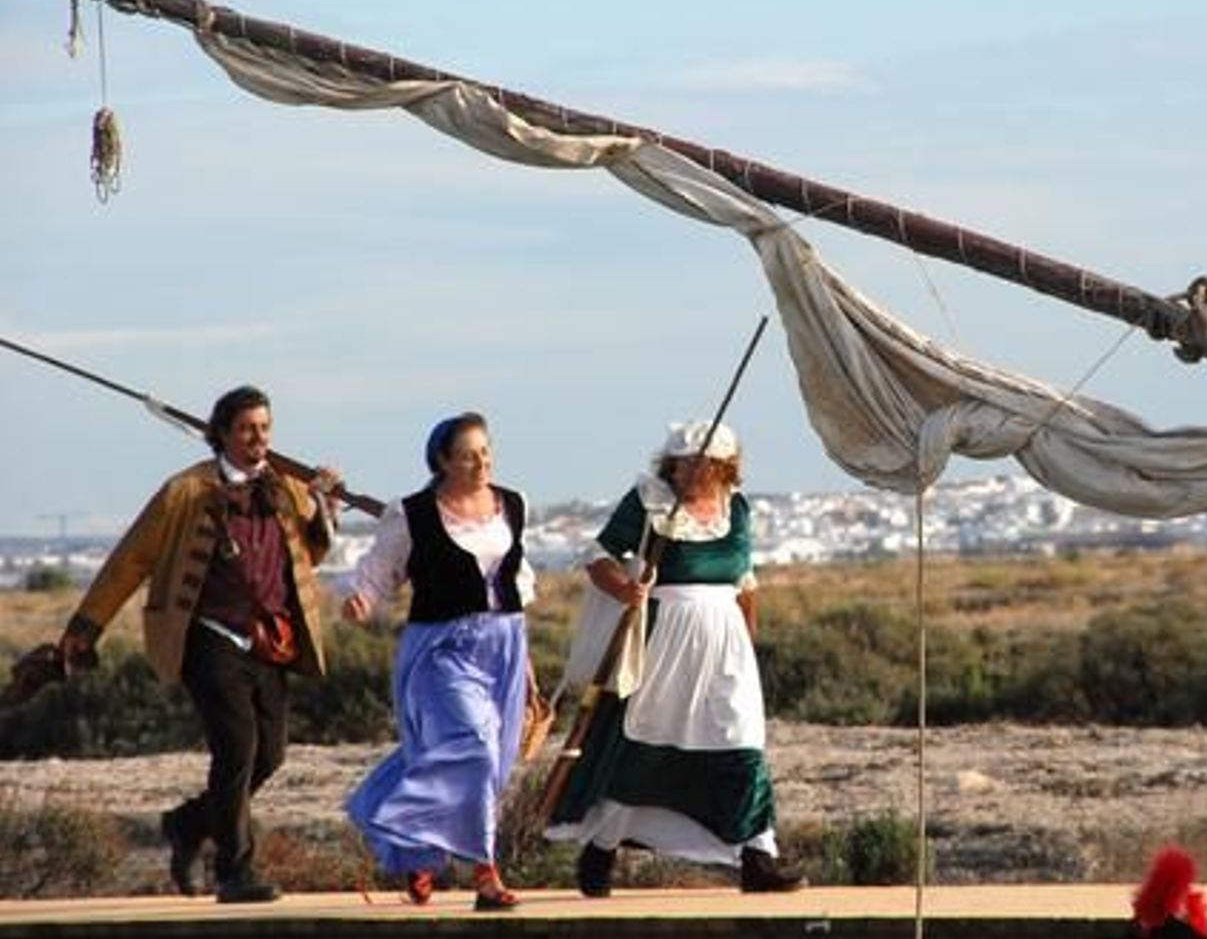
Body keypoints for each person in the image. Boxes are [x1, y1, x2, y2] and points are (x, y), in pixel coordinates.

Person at [55, 385, 341, 903]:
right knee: (237, 749)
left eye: (265, 428)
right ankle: (235, 872)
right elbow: (130, 561)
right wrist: (85, 628)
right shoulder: (184, 491)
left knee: (270, 755)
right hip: (208, 639)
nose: (258, 438)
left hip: (270, 642)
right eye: (247, 429)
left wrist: (324, 503)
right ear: (222, 433)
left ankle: (188, 824)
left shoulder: (287, 488)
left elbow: (310, 554)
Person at [544, 420, 805, 896]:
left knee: (741, 742)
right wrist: (625, 589)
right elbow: (598, 557)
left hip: (725, 644)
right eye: (680, 463)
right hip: (663, 642)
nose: (687, 472)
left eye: (699, 463)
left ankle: (758, 856)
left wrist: (747, 642)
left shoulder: (737, 508)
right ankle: (601, 849)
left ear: (723, 467)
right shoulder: (650, 502)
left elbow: (744, 582)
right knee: (642, 748)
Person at [342, 412, 535, 911]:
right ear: (443, 462)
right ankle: (485, 874)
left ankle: (418, 851)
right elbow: (380, 570)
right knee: (475, 746)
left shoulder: (512, 503)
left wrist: (528, 669)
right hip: (441, 648)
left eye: (486, 452)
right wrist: (363, 599)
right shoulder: (412, 514)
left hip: (504, 645)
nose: (482, 462)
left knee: (487, 762)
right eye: (468, 456)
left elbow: (519, 580)